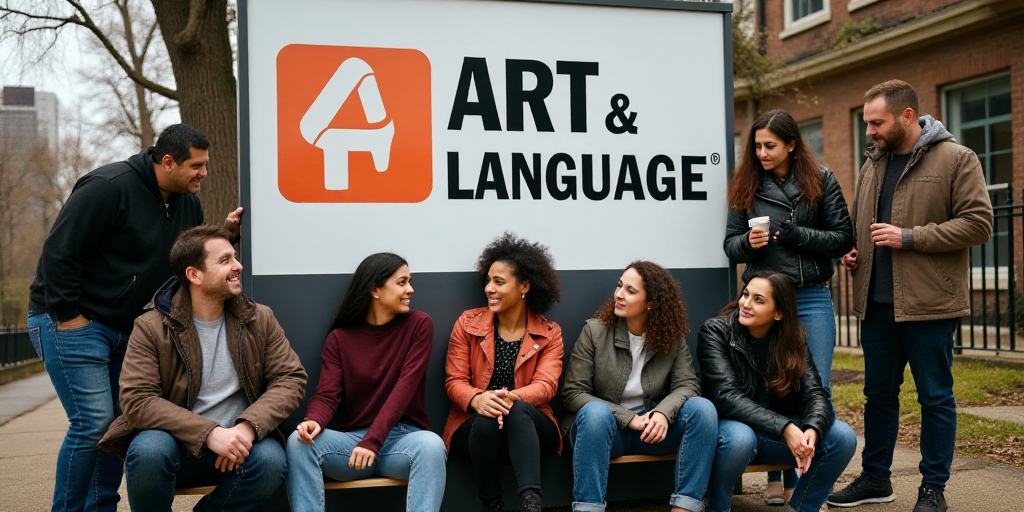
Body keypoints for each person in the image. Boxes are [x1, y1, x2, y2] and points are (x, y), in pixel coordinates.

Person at [26, 124, 243, 512]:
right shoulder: (109, 187)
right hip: (72, 320)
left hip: (125, 329)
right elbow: (59, 250)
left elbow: (190, 260)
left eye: (206, 165)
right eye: (197, 166)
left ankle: (100, 507)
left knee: (117, 427)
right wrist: (69, 315)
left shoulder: (187, 204)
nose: (204, 174)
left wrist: (228, 235)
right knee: (92, 423)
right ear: (167, 161)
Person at [827, 80, 993, 512]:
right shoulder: (873, 166)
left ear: (906, 116)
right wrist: (856, 253)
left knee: (935, 397)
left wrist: (910, 237)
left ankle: (933, 489)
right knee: (878, 397)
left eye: (876, 123)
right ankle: (876, 480)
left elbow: (979, 223)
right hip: (876, 306)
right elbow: (870, 225)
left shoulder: (957, 159)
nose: (869, 132)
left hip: (930, 305)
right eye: (866, 123)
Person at [97, 225, 307, 511]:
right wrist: (209, 433)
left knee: (271, 460)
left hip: (238, 449)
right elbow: (137, 400)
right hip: (177, 448)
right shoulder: (150, 327)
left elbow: (290, 379)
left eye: (234, 257)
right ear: (194, 275)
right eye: (225, 261)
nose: (238, 266)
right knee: (148, 450)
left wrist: (247, 428)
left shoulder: (260, 318)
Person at [724, 108, 853, 505]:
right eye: (757, 146)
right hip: (766, 296)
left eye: (770, 146)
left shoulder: (823, 179)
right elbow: (729, 244)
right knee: (770, 388)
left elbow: (842, 237)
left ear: (792, 144)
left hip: (810, 295)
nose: (761, 153)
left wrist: (800, 236)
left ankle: (804, 477)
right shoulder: (746, 184)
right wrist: (749, 245)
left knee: (816, 389)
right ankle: (776, 475)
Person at [286, 252, 447, 512]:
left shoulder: (419, 325)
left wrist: (373, 441)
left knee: (432, 446)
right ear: (375, 290)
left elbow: (403, 389)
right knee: (298, 442)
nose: (411, 289)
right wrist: (313, 420)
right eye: (402, 282)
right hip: (354, 447)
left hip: (402, 442)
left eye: (409, 281)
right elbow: (327, 394)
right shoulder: (340, 338)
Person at [562, 261, 717, 512]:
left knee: (703, 409)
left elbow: (688, 384)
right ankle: (588, 508)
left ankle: (685, 508)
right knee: (595, 413)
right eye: (620, 286)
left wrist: (663, 414)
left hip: (651, 432)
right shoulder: (595, 331)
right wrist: (627, 418)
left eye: (631, 291)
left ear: (651, 302)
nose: (619, 295)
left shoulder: (671, 336)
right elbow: (573, 394)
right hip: (604, 432)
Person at [699, 271, 857, 512]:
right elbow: (726, 397)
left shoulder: (794, 339)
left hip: (773, 437)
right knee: (741, 439)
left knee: (842, 437)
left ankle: (802, 507)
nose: (746, 304)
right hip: (733, 431)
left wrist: (813, 429)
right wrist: (785, 428)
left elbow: (815, 392)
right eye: (745, 295)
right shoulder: (716, 332)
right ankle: (716, 507)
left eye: (758, 300)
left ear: (779, 312)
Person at [444, 232, 564, 512]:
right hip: (475, 427)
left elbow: (546, 386)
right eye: (488, 280)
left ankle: (531, 504)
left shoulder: (549, 333)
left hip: (530, 427)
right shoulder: (467, 323)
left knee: (518, 408)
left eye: (498, 282)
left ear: (524, 286)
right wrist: (478, 400)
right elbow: (454, 381)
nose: (489, 288)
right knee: (486, 418)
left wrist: (507, 399)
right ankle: (492, 505)